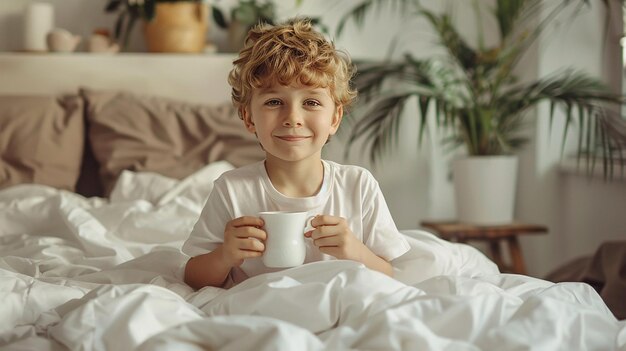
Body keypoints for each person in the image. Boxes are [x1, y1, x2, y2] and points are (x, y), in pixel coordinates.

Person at [182, 18, 410, 290]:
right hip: (257, 307)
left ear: (335, 119)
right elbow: (193, 277)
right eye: (274, 102)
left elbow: (388, 275)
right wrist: (225, 256)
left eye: (311, 102)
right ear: (248, 117)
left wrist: (355, 251)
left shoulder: (358, 186)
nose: (293, 118)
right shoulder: (232, 189)